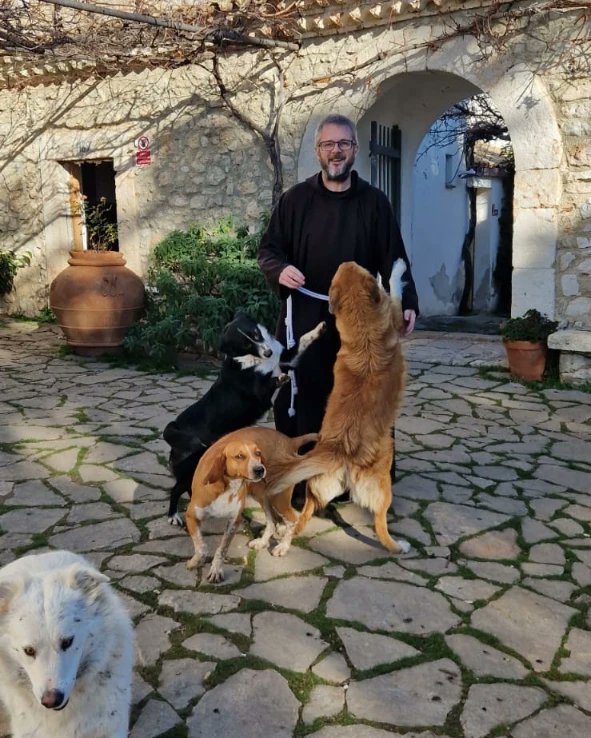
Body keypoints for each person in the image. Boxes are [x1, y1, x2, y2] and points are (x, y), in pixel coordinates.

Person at [258, 113, 419, 485]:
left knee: (367, 397)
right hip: (306, 318)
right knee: (307, 396)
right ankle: (307, 476)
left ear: (355, 150)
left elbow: (394, 257)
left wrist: (407, 299)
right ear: (318, 151)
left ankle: (364, 474)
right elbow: (268, 250)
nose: (336, 151)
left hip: (361, 324)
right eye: (329, 144)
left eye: (343, 144)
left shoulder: (375, 203)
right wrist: (280, 270)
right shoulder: (294, 201)